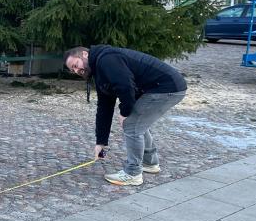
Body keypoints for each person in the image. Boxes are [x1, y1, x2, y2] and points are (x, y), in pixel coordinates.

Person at [64, 45, 187, 186]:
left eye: (75, 65)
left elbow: (125, 87)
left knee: (132, 124)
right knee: (138, 122)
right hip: (163, 87)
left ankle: (133, 173)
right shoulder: (98, 71)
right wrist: (101, 143)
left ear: (84, 54)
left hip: (166, 87)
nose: (76, 70)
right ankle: (150, 163)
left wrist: (124, 112)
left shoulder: (106, 59)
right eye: (72, 70)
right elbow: (104, 107)